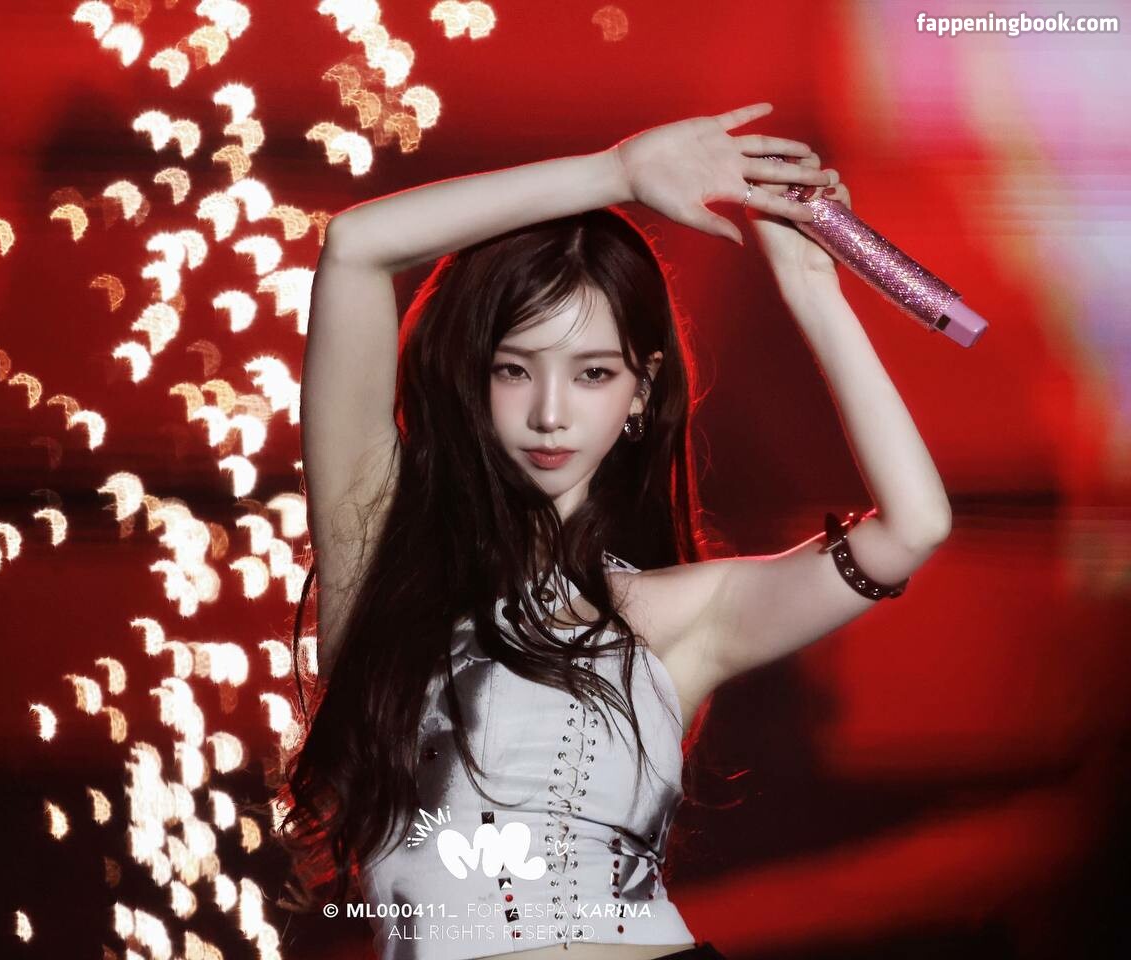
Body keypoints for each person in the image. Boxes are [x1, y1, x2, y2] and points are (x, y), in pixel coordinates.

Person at [273, 102, 953, 960]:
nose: (550, 413)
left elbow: (914, 526)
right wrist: (619, 174)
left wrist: (814, 291)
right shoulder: (379, 563)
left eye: (593, 373)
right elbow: (355, 247)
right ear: (470, 377)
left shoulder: (684, 614)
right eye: (514, 369)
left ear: (641, 390)